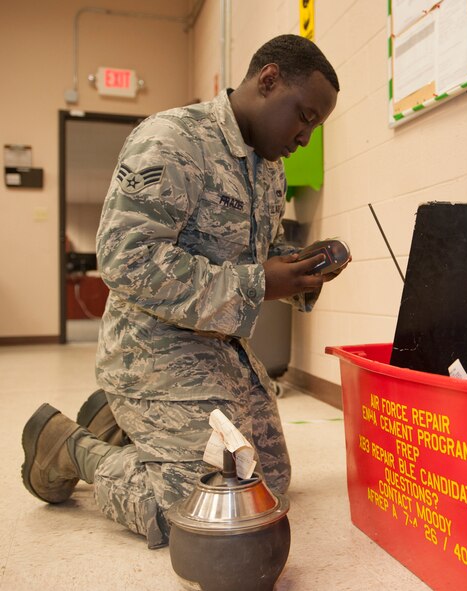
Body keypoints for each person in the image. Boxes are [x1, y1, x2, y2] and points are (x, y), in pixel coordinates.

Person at [21, 34, 343, 549]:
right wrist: (261, 281)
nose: (305, 137)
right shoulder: (173, 139)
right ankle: (70, 447)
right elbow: (125, 259)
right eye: (304, 116)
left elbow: (256, 251)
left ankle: (127, 427)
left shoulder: (270, 167)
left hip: (218, 348)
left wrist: (301, 268)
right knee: (201, 515)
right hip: (152, 348)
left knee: (269, 488)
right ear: (268, 80)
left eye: (315, 125)